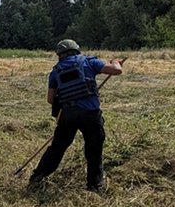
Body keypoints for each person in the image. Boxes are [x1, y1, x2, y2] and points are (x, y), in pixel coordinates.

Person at [29, 39, 123, 192]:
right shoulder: (88, 61)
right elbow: (116, 70)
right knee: (93, 150)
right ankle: (94, 187)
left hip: (68, 115)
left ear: (60, 55)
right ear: (76, 50)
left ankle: (37, 177)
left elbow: (50, 99)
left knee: (57, 148)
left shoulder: (56, 71)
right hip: (90, 115)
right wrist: (115, 62)